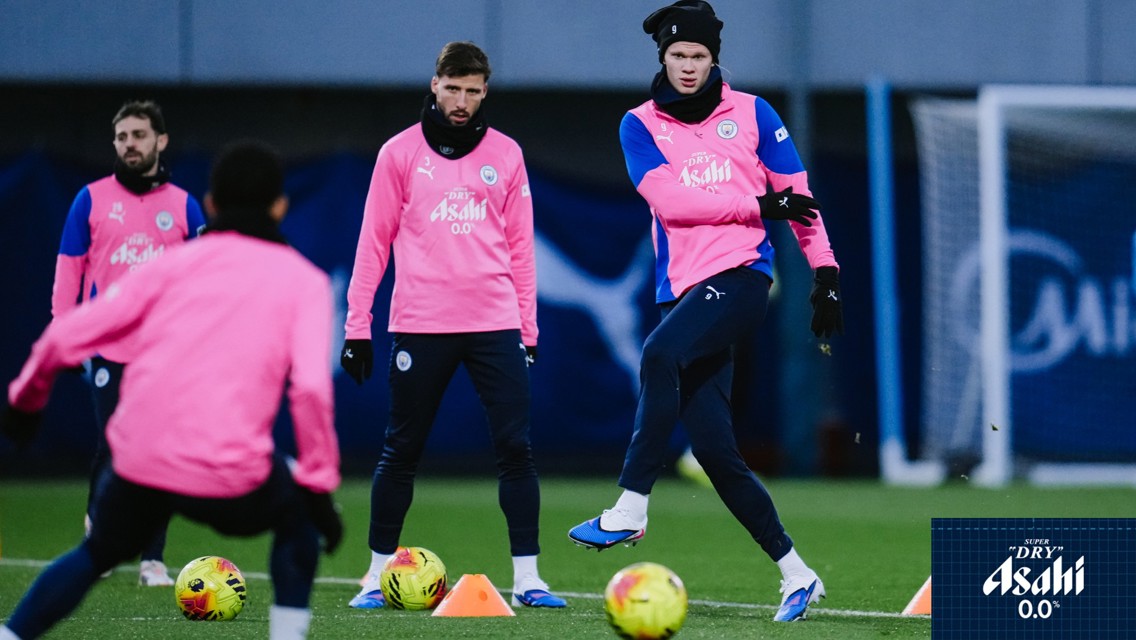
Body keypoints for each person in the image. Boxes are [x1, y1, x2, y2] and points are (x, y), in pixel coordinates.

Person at [567, 0, 844, 623]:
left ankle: (631, 507)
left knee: (660, 353)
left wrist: (825, 272)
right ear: (661, 58)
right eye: (678, 56)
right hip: (681, 291)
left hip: (742, 277)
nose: (688, 67)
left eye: (698, 56)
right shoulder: (638, 124)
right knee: (718, 454)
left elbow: (795, 196)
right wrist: (754, 202)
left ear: (715, 58)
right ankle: (798, 575)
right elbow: (669, 202)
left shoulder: (753, 113)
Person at [0, 140, 343, 640]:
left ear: (210, 205)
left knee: (96, 553)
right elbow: (311, 390)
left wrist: (24, 403)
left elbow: (64, 336)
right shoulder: (305, 283)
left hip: (142, 461)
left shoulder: (167, 266)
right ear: (280, 207)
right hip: (233, 472)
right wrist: (317, 485)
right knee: (298, 528)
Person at [340, 41, 564, 610]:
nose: (462, 101)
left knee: (517, 450)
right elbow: (373, 243)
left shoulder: (507, 154)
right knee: (401, 450)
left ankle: (529, 579)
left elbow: (521, 248)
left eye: (473, 90)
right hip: (421, 324)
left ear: (485, 91)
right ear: (435, 83)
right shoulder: (398, 153)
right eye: (453, 88)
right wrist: (356, 325)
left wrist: (528, 330)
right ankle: (373, 577)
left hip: (495, 325)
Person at [52, 100, 207, 587]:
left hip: (164, 351)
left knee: (159, 451)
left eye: (138, 135)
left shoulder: (184, 206)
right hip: (107, 348)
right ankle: (99, 536)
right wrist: (65, 335)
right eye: (121, 137)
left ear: (160, 141)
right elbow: (68, 272)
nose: (129, 145)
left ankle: (152, 560)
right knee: (114, 446)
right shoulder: (90, 200)